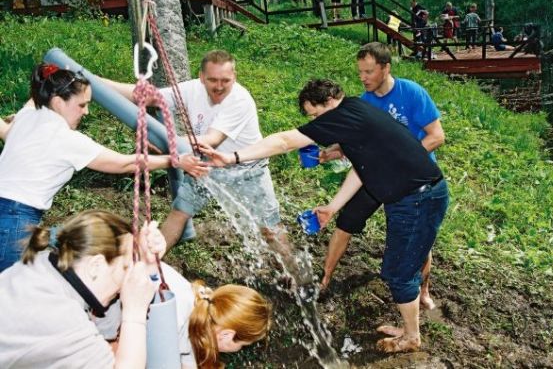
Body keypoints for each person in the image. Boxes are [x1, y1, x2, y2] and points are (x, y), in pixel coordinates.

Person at [201, 78, 449, 353]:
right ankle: (409, 328)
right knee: (397, 268)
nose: (316, 121)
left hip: (418, 199)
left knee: (399, 273)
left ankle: (411, 337)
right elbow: (363, 170)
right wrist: (332, 207)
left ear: (330, 102)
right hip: (412, 196)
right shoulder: (356, 113)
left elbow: (284, 141)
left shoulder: (344, 115)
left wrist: (232, 157)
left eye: (315, 114)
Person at [101, 50, 308, 285]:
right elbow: (146, 95)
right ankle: (147, 269)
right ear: (201, 77)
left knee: (269, 229)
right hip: (207, 166)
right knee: (179, 213)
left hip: (248, 170)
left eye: (225, 80)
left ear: (234, 76)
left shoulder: (240, 100)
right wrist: (93, 80)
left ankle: (300, 279)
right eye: (212, 80)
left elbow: (211, 140)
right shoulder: (192, 89)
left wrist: (165, 143)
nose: (219, 87)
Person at [0, 64, 206, 272]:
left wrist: (58, 74)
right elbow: (125, 163)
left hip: (8, 209)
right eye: (82, 105)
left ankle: (59, 243)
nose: (86, 112)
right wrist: (174, 160)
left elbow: (34, 100)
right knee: (10, 282)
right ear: (58, 102)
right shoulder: (65, 138)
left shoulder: (27, 116)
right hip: (16, 217)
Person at [319, 42, 445, 310]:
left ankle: (424, 289)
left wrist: (399, 159)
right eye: (360, 72)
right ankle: (325, 278)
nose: (362, 78)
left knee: (417, 238)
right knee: (347, 220)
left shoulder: (411, 93)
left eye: (368, 72)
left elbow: (436, 136)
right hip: (377, 175)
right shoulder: (366, 102)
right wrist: (335, 150)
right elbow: (360, 141)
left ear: (386, 68)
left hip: (413, 180)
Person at [0, 210, 161, 368]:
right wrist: (135, 313)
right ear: (95, 266)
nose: (127, 280)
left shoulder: (42, 263)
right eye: (125, 267)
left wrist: (147, 263)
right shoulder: (63, 320)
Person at [101, 262, 272, 369]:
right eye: (242, 345)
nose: (239, 350)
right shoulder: (172, 317)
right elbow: (121, 355)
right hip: (96, 317)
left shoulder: (201, 308)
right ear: (227, 335)